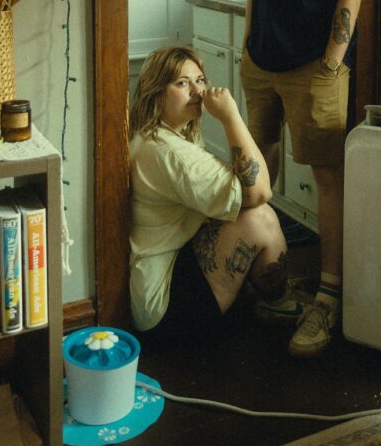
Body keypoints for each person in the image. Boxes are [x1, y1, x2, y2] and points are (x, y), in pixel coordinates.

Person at [240, 0, 362, 358]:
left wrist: (332, 62)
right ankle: (272, 284)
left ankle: (329, 296)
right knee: (255, 173)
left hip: (314, 66)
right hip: (261, 61)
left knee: (328, 179)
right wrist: (247, 44)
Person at [128, 45, 311, 348]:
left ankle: (264, 296)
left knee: (236, 211)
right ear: (156, 92)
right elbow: (260, 191)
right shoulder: (172, 154)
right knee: (259, 218)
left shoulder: (152, 134)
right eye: (181, 83)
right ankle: (277, 303)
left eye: (199, 80)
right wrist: (231, 117)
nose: (198, 91)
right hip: (165, 312)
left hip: (151, 287)